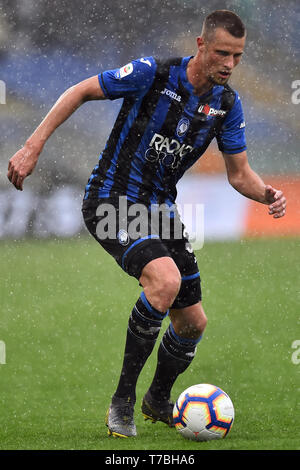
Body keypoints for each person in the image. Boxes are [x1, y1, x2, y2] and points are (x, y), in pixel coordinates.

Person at [7, 10, 286, 438]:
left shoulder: (226, 105)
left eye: (238, 56)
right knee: (165, 281)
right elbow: (80, 91)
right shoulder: (152, 74)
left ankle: (158, 398)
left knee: (194, 323)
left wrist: (266, 193)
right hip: (110, 199)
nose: (229, 63)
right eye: (222, 53)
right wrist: (31, 147)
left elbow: (239, 174)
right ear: (200, 45)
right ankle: (122, 402)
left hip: (159, 211)